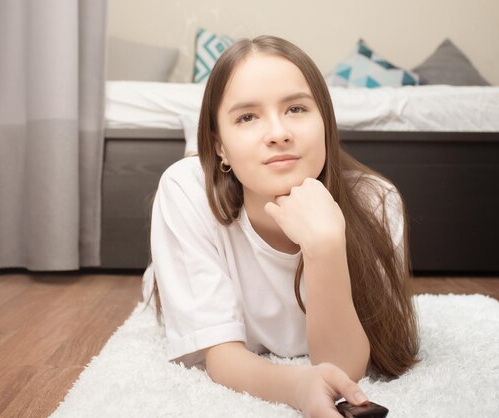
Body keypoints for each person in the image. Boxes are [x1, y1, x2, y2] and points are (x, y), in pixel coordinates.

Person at [143, 35, 419, 417]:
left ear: (325, 121)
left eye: (296, 109)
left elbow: (343, 368)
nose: (278, 132)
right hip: (190, 258)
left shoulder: (377, 200)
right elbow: (221, 355)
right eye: (247, 117)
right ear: (219, 146)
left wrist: (325, 247)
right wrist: (296, 385)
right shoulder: (184, 191)